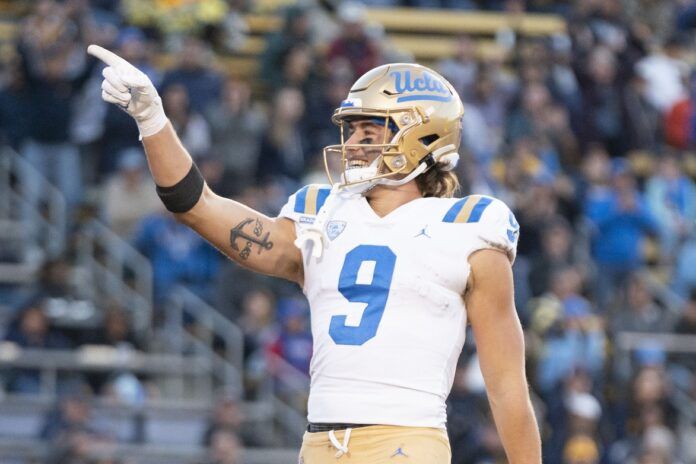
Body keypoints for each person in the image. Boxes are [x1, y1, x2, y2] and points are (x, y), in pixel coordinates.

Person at [88, 44, 541, 463]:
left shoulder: (468, 227)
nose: (354, 142)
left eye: (372, 128)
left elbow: (506, 386)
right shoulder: (321, 214)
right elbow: (197, 206)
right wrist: (152, 122)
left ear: (422, 133)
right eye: (353, 128)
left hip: (406, 440)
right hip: (319, 443)